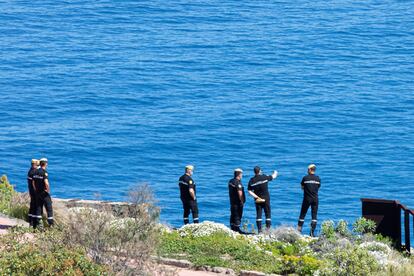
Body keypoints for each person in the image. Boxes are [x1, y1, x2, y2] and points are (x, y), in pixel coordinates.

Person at [248, 166, 278, 233]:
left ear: (254, 172)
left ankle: (259, 231)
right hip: (266, 198)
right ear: (260, 171)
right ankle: (268, 230)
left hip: (258, 199)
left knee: (259, 214)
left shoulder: (252, 180)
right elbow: (274, 176)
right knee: (267, 213)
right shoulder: (264, 177)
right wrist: (275, 172)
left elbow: (249, 191)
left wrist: (256, 197)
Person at [297, 164, 321, 237]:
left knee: (302, 214)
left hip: (307, 199)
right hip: (315, 199)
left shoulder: (305, 178)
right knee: (314, 216)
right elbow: (318, 187)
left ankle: (298, 232)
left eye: (308, 169)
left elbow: (302, 187)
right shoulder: (318, 179)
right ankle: (311, 233)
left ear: (310, 170)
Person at [32, 158, 54, 228]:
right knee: (49, 207)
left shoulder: (35, 172)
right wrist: (48, 190)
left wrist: (36, 190)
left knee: (39, 207)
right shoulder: (44, 172)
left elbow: (33, 183)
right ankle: (50, 225)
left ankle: (39, 224)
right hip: (44, 193)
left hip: (37, 193)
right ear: (45, 164)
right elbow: (46, 183)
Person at [228, 168, 246, 233]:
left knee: (233, 215)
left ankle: (232, 228)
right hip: (238, 203)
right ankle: (237, 229)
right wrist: (241, 201)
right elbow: (239, 192)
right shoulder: (238, 183)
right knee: (238, 215)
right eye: (241, 174)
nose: (241, 176)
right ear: (239, 174)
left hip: (232, 202)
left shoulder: (231, 181)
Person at [27, 159, 39, 226]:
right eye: (37, 165)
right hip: (33, 192)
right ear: (34, 165)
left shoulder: (30, 171)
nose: (37, 166)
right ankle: (33, 223)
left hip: (31, 191)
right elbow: (34, 183)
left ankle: (30, 222)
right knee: (34, 206)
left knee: (32, 206)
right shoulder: (32, 172)